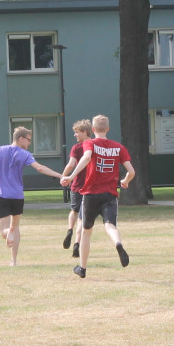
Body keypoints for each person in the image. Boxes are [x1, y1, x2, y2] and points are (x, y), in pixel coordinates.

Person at [0, 126, 65, 265]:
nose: (29, 143)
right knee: (16, 227)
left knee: (4, 231)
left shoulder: (0, 150)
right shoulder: (25, 155)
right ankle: (13, 260)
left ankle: (9, 232)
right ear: (21, 138)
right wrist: (60, 175)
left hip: (2, 195)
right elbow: (40, 168)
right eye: (28, 140)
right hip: (17, 196)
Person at [60, 114, 134, 278]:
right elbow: (131, 171)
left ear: (93, 130)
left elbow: (86, 158)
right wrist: (125, 181)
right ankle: (118, 243)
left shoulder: (89, 143)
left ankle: (83, 268)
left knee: (86, 231)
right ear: (107, 129)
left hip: (91, 194)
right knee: (110, 225)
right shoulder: (119, 147)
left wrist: (71, 177)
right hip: (110, 194)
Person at [59, 119, 94, 257]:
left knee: (74, 211)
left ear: (85, 132)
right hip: (90, 187)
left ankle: (69, 230)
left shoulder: (76, 148)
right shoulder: (94, 146)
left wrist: (64, 176)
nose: (75, 135)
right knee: (82, 217)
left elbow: (71, 164)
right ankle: (77, 244)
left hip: (77, 185)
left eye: (77, 132)